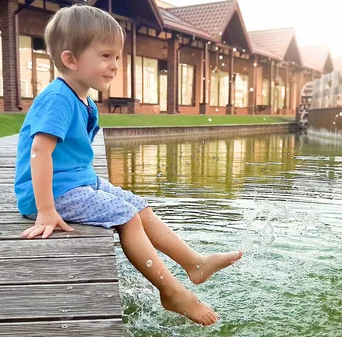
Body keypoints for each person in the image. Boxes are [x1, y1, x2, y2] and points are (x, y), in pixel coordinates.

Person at [14, 5, 242, 326]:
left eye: (117, 57)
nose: (115, 65)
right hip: (54, 193)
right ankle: (172, 292)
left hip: (77, 183)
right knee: (128, 217)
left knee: (140, 207)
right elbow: (39, 152)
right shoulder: (58, 98)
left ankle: (195, 263)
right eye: (106, 56)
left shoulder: (83, 99)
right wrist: (46, 209)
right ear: (71, 60)